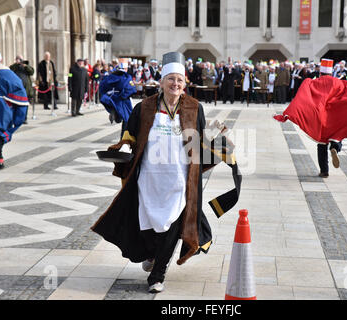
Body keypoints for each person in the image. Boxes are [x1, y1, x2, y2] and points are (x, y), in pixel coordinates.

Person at [91, 51, 241, 294]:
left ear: (185, 84)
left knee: (172, 224)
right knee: (149, 223)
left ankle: (158, 274)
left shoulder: (194, 108)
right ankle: (152, 254)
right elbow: (129, 134)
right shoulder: (145, 107)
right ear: (161, 82)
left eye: (180, 81)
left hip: (180, 180)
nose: (175, 84)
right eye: (171, 79)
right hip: (148, 180)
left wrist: (220, 147)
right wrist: (126, 146)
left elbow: (198, 144)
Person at [274, 58, 347, 178]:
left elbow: (303, 95)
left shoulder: (314, 82)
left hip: (321, 118)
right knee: (337, 133)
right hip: (334, 116)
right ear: (331, 73)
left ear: (320, 73)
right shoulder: (338, 82)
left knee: (321, 143)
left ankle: (324, 171)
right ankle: (335, 147)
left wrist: (288, 113)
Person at [99, 59, 137, 137]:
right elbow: (131, 89)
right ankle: (124, 136)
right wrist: (123, 96)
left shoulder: (109, 77)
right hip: (123, 100)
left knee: (120, 113)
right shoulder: (126, 77)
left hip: (112, 98)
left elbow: (102, 87)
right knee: (127, 118)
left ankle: (114, 112)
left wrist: (107, 94)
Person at [9, 55, 35, 124]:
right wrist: (16, 64)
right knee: (16, 103)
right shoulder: (14, 66)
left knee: (25, 103)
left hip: (26, 88)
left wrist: (25, 66)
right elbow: (10, 70)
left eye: (20, 59)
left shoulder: (26, 66)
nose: (19, 60)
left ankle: (24, 118)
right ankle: (16, 118)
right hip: (17, 89)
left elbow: (32, 72)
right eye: (17, 59)